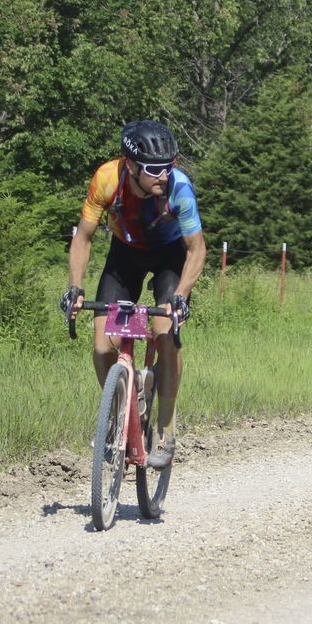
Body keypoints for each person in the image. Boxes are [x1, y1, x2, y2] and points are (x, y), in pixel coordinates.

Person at [61, 120, 206, 470]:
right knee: (101, 347)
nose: (164, 175)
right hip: (124, 255)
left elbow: (196, 249)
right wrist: (75, 288)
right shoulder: (107, 179)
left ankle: (167, 428)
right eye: (154, 169)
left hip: (170, 257)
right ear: (130, 165)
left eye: (169, 166)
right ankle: (118, 415)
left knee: (165, 334)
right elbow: (83, 237)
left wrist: (181, 295)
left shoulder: (179, 188)